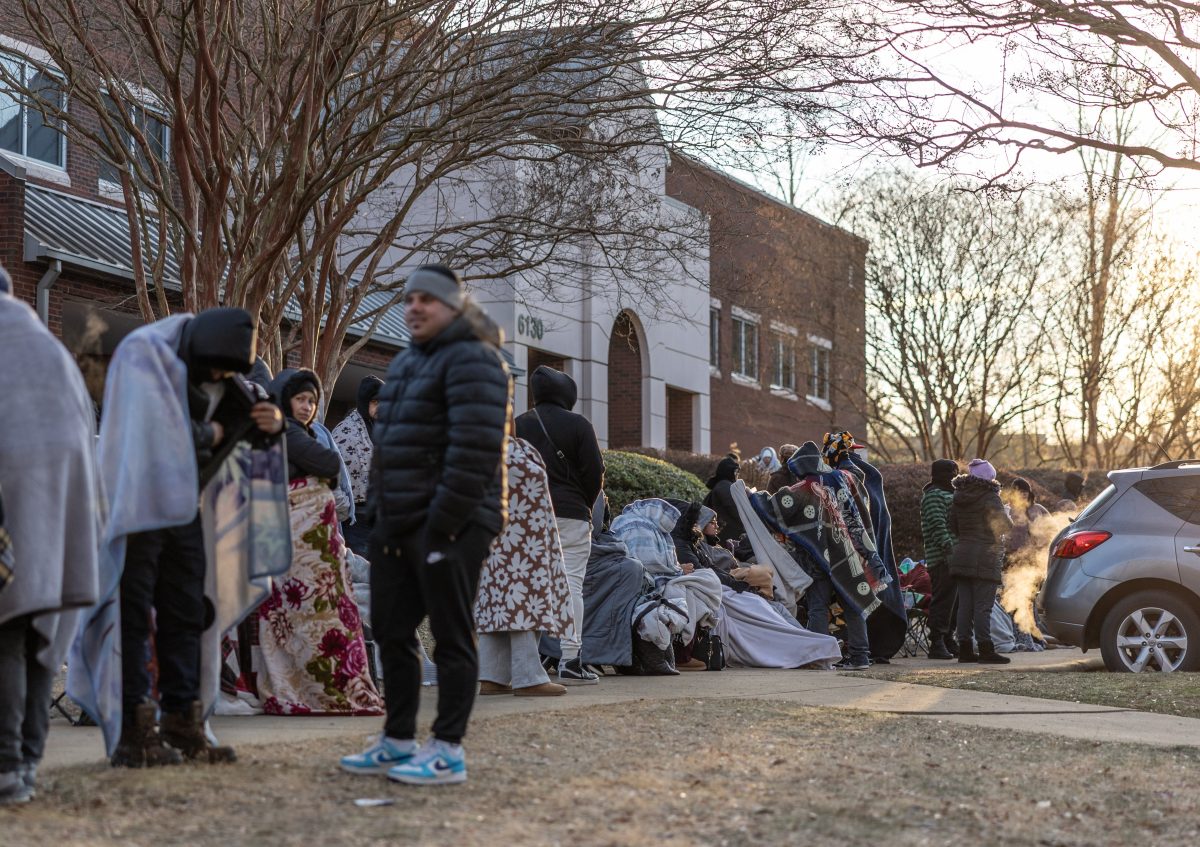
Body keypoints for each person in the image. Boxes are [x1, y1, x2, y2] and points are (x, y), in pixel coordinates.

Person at [69, 307, 288, 768]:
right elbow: (151, 428)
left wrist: (272, 425)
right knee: (131, 615)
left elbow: (244, 424)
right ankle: (134, 727)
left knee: (188, 612)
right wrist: (212, 431)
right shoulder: (141, 354)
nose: (215, 377)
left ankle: (182, 721)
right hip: (134, 507)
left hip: (185, 507)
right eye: (213, 368)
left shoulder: (216, 371)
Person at [339, 265, 509, 787]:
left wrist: (443, 526)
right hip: (399, 523)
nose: (413, 307)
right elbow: (389, 451)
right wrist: (381, 520)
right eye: (408, 299)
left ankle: (448, 750)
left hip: (454, 524)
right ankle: (396, 740)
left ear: (453, 307)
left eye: (426, 300)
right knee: (391, 628)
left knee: (452, 637)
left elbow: (474, 452)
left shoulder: (477, 360)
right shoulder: (408, 362)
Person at [0, 271, 100, 803]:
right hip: (60, 519)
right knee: (39, 635)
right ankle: (28, 762)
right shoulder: (49, 348)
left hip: (7, 516)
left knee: (7, 633)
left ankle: (6, 767)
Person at [254, 369, 383, 715]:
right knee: (310, 616)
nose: (308, 407)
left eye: (312, 401)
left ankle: (318, 686)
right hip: (299, 546)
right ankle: (311, 689)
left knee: (323, 614)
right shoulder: (285, 432)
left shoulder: (307, 433)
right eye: (301, 399)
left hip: (317, 545)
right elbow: (329, 461)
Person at [514, 366, 605, 685]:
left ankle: (524, 664)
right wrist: (583, 501)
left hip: (529, 515)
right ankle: (570, 659)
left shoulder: (518, 425)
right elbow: (595, 473)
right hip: (571, 513)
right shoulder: (579, 424)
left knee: (528, 586)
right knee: (571, 585)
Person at [475, 437, 571, 697]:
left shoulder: (514, 445)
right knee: (520, 602)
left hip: (520, 537)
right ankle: (527, 676)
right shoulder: (483, 444)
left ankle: (492, 675)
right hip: (514, 537)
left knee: (506, 600)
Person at [948, 459, 1013, 664]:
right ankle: (986, 650)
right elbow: (1003, 526)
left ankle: (965, 650)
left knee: (965, 606)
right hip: (985, 555)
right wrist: (1008, 515)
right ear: (989, 478)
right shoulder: (990, 497)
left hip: (963, 553)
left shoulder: (958, 496)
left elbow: (953, 525)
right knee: (983, 606)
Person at [332, 375, 384, 556]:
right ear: (365, 401)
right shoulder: (346, 431)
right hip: (356, 519)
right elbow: (333, 473)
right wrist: (345, 509)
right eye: (376, 402)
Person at [920, 459, 960, 659]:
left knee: (955, 602)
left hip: (956, 558)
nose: (954, 478)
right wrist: (950, 549)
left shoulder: (950, 494)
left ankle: (948, 639)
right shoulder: (934, 496)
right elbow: (937, 526)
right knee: (943, 602)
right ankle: (936, 642)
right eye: (951, 474)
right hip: (943, 559)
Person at [703, 453, 745, 543]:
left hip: (725, 532)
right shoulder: (725, 486)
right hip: (728, 535)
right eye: (735, 472)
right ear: (729, 472)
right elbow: (735, 509)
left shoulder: (722, 484)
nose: (737, 475)